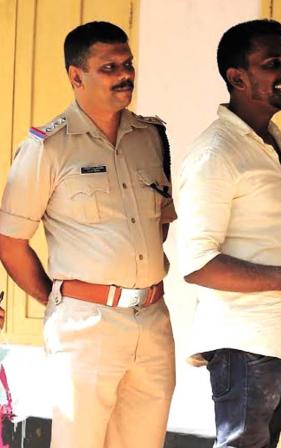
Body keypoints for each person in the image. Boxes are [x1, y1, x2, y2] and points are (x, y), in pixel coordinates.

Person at [0, 21, 175, 447]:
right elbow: (9, 240)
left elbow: (161, 222)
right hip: (86, 326)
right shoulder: (48, 147)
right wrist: (57, 298)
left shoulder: (150, 137)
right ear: (76, 77)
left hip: (152, 317)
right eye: (109, 67)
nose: (124, 74)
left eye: (127, 64)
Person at [176, 19, 281, 448]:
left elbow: (271, 238)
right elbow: (196, 263)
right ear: (237, 78)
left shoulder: (270, 141)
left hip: (279, 335)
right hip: (244, 339)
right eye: (271, 64)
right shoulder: (217, 153)